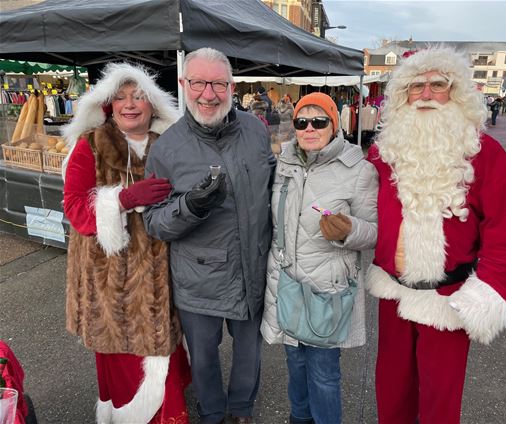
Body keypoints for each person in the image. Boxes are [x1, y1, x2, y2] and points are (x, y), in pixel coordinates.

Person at [365, 47, 506, 424]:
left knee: (440, 401)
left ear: (457, 92)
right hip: (394, 293)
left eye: (437, 84)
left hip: (449, 299)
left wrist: (487, 293)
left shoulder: (485, 154)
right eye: (415, 86)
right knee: (391, 391)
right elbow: (352, 193)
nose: (425, 94)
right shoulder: (385, 151)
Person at [143, 47, 276, 424]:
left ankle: (241, 410)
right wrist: (191, 206)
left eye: (218, 83)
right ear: (184, 85)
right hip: (198, 276)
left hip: (252, 265)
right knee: (203, 356)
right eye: (199, 82)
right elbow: (154, 222)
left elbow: (272, 184)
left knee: (249, 350)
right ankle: (213, 412)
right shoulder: (167, 148)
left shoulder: (254, 130)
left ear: (232, 86)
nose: (208, 93)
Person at [62, 62, 190, 424]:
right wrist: (122, 199)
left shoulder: (169, 145)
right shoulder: (91, 145)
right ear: (108, 105)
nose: (129, 104)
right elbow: (74, 207)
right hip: (110, 284)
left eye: (138, 97)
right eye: (120, 97)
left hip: (164, 276)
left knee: (164, 350)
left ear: (152, 104)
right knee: (121, 357)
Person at [260, 92, 378, 424]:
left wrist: (347, 230)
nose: (309, 128)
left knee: (324, 375)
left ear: (334, 125)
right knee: (295, 368)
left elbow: (375, 231)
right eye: (302, 121)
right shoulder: (283, 163)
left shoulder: (359, 171)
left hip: (326, 292)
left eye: (319, 121)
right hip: (286, 285)